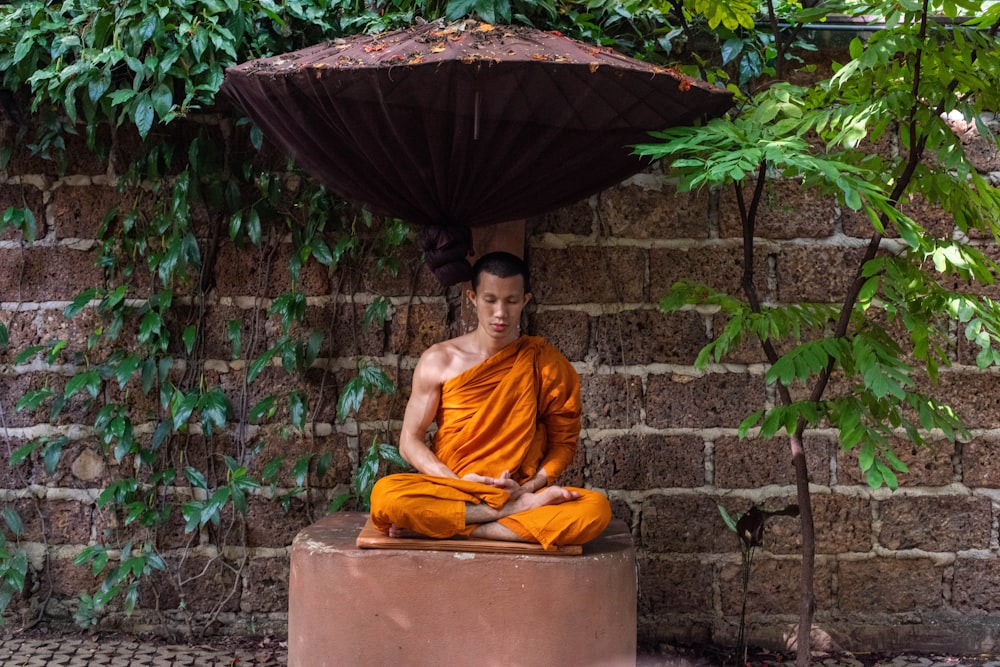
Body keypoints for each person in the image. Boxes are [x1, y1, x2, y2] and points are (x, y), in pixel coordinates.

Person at [369, 251, 612, 550]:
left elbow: (564, 443)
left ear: (525, 300)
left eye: (511, 301)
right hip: (453, 488)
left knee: (594, 510)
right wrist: (460, 483)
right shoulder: (439, 360)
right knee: (386, 498)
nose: (500, 312)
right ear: (472, 297)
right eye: (490, 300)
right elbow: (410, 441)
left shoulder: (546, 364)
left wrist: (528, 488)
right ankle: (504, 516)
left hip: (517, 490)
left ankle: (453, 526)